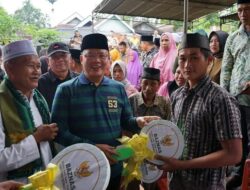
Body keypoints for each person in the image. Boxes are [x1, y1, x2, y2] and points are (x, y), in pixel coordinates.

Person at [51, 33, 159, 190]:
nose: (97, 61)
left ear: (108, 59)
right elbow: (59, 132)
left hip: (113, 168)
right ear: (81, 59)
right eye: (91, 56)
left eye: (102, 55)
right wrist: (92, 147)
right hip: (81, 172)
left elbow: (126, 120)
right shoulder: (65, 90)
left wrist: (138, 121)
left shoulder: (118, 88)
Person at [155, 33, 242, 190]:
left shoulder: (220, 99)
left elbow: (234, 154)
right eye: (182, 58)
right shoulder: (177, 95)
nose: (187, 64)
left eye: (194, 58)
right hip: (176, 182)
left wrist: (183, 165)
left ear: (209, 61)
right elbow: (175, 136)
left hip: (205, 185)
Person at [0, 40, 58, 182]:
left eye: (38, 66)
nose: (37, 71)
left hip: (47, 181)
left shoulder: (38, 98)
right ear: (9, 69)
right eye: (30, 66)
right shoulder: (2, 102)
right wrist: (36, 138)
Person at [220, 0, 250, 189]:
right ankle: (237, 174)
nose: (243, 13)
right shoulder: (233, 38)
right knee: (238, 138)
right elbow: (226, 69)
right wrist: (225, 96)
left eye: (247, 9)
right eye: (240, 10)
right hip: (237, 97)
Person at [37, 42, 78, 110]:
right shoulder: (40, 83)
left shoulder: (79, 79)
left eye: (63, 55)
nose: (60, 59)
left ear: (70, 58)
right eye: (55, 57)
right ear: (48, 61)